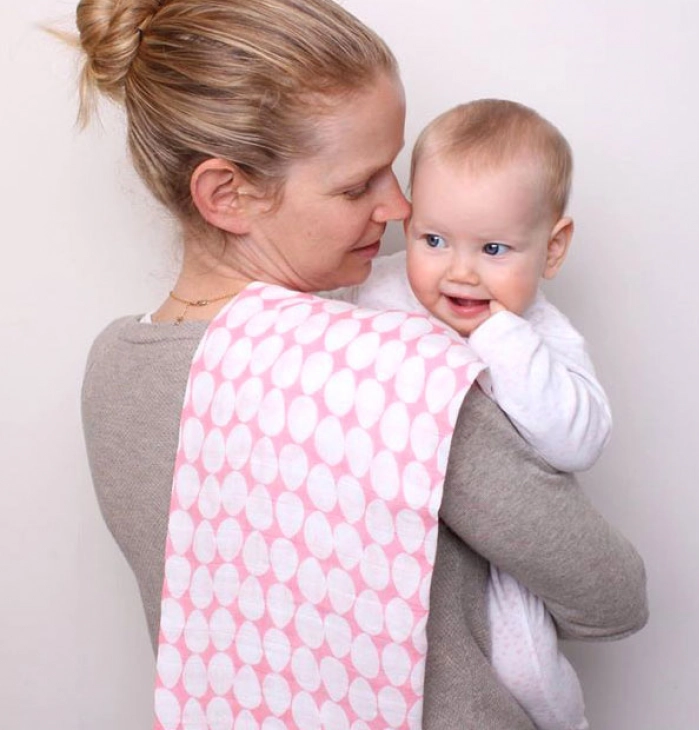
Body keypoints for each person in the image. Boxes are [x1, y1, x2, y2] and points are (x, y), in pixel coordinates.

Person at [72, 1, 648, 729]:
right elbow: (611, 596)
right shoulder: (398, 373)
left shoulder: (111, 369)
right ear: (226, 194)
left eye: (394, 171)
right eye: (358, 185)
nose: (400, 206)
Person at [329, 99, 609, 729]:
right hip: (381, 530)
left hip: (494, 563)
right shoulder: (377, 292)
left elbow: (579, 441)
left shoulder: (538, 334)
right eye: (433, 240)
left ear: (552, 248)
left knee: (524, 670)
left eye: (494, 248)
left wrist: (500, 337)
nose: (460, 272)